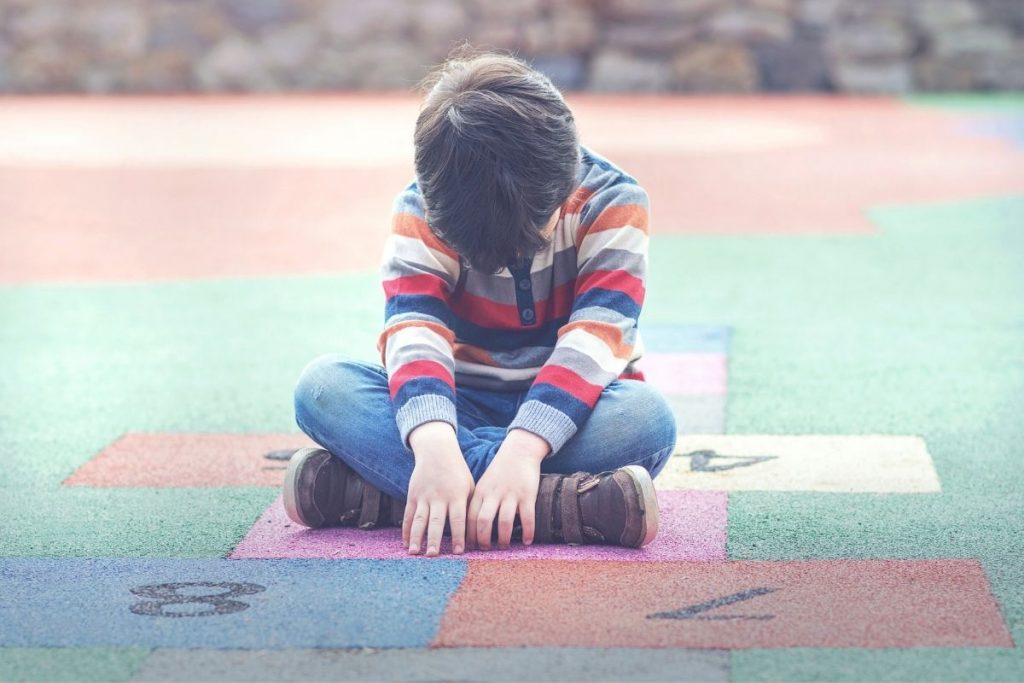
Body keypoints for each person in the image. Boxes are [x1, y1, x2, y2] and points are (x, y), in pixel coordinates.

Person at [285, 47, 677, 557]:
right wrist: (434, 445)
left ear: (562, 191)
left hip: (577, 412)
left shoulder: (614, 201)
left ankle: (389, 497)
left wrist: (523, 448)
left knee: (647, 421)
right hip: (455, 406)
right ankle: (560, 505)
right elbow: (413, 329)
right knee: (322, 387)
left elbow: (596, 339)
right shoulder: (429, 204)